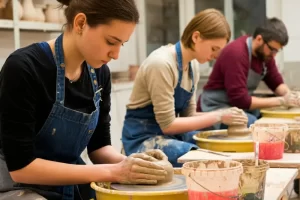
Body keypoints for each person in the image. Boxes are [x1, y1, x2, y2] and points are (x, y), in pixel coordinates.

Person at [0, 0, 169, 199]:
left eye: (121, 44)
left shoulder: (100, 74)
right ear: (80, 23)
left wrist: (136, 165)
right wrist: (115, 171)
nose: (116, 54)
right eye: (111, 42)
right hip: (15, 184)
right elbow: (22, 168)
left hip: (68, 179)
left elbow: (99, 148)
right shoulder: (24, 68)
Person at [122, 9, 248, 167]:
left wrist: (229, 116)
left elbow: (189, 116)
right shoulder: (161, 63)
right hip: (142, 140)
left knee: (217, 147)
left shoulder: (192, 65)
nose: (216, 56)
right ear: (196, 37)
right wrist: (218, 115)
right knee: (200, 159)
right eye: (214, 49)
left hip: (170, 136)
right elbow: (168, 125)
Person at [198, 17, 300, 129]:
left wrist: (291, 96)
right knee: (253, 122)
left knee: (265, 116)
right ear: (259, 39)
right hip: (214, 107)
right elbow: (240, 99)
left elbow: (276, 81)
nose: (274, 54)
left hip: (236, 107)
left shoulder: (265, 56)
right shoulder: (237, 53)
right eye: (272, 49)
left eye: (277, 50)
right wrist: (282, 101)